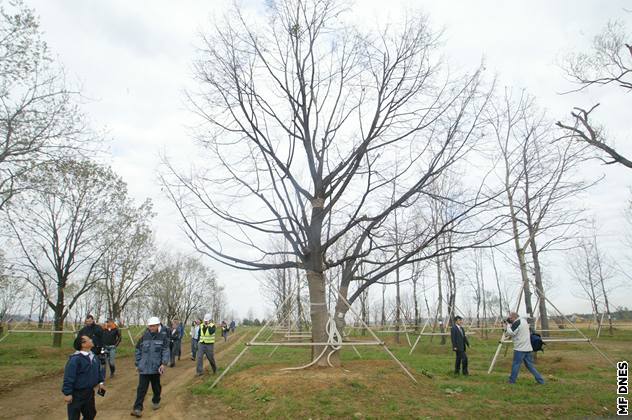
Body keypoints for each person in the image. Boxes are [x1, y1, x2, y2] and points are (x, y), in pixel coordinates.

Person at [131, 317, 170, 418]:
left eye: (153, 326)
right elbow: (138, 350)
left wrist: (163, 363)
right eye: (150, 326)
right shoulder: (143, 337)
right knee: (141, 389)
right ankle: (137, 408)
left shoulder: (163, 337)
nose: (151, 327)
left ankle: (156, 400)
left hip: (156, 368)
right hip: (144, 368)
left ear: (158, 326)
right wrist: (138, 363)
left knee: (156, 387)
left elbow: (166, 350)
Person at [62, 334, 105, 420]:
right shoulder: (75, 359)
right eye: (89, 339)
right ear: (83, 344)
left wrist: (101, 383)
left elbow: (98, 371)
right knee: (74, 417)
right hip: (76, 394)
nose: (92, 340)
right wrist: (68, 393)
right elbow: (69, 376)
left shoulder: (94, 357)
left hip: (89, 392)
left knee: (91, 414)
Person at [505, 312, 545, 384]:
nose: (510, 319)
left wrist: (508, 326)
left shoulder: (517, 322)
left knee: (516, 365)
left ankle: (511, 381)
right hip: (528, 347)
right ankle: (541, 381)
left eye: (510, 318)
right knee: (530, 366)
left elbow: (511, 333)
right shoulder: (524, 321)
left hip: (520, 348)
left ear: (514, 317)